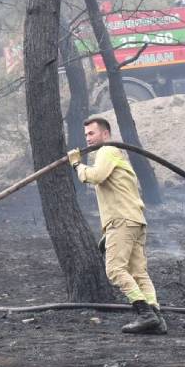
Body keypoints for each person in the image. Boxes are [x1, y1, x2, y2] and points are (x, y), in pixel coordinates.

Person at [68, 118, 167, 335]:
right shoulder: (115, 156)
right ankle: (157, 318)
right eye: (86, 135)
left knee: (115, 270)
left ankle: (145, 314)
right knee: (139, 273)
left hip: (122, 221)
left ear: (105, 134)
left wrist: (77, 164)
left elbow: (95, 176)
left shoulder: (107, 151)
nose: (88, 138)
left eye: (92, 133)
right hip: (134, 221)